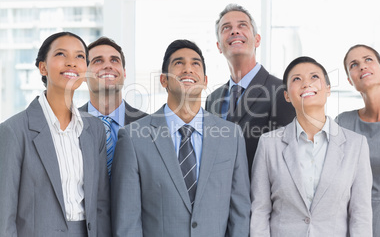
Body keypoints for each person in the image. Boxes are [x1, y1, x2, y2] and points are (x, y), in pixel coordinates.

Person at [111, 39, 250, 237]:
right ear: (163, 80)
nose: (188, 69)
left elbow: (240, 214)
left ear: (205, 80)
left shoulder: (231, 136)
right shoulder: (133, 138)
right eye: (178, 63)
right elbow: (127, 221)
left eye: (195, 64)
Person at [0, 32, 111, 236]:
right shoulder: (13, 131)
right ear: (43, 67)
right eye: (61, 54)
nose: (71, 63)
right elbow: (4, 214)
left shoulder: (94, 129)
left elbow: (101, 204)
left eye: (79, 56)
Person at [251, 56, 372, 236]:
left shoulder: (356, 145)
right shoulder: (269, 144)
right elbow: (260, 211)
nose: (306, 83)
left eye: (314, 77)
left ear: (328, 89)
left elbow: (360, 214)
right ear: (286, 95)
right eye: (296, 79)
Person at [205, 3, 295, 174]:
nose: (234, 31)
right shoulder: (212, 100)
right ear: (218, 46)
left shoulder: (281, 91)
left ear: (257, 40)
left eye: (242, 25)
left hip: (258, 197)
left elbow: (284, 161)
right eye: (226, 28)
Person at [336, 44, 380, 237]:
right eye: (354, 65)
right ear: (350, 80)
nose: (362, 66)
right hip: (352, 227)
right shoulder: (343, 123)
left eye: (368, 60)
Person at [79, 37, 147, 176]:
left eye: (114, 60)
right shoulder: (68, 123)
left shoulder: (149, 126)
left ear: (124, 73)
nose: (108, 66)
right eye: (98, 60)